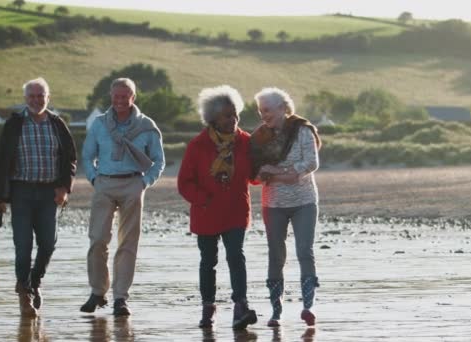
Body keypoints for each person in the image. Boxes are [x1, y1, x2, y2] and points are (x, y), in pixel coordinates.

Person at [0, 77, 77, 317]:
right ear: (25, 98)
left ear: (48, 98)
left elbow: (70, 158)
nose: (36, 99)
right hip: (20, 192)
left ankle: (35, 281)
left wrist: (64, 188)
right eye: (32, 96)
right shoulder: (14, 124)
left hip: (50, 192)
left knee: (48, 244)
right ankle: (24, 291)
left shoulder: (58, 124)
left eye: (41, 95)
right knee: (23, 245)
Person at [80, 78, 165, 316]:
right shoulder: (98, 124)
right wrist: (95, 179)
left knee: (128, 243)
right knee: (97, 240)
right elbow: (87, 156)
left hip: (133, 184)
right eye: (115, 96)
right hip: (104, 184)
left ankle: (120, 298)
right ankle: (98, 292)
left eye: (124, 97)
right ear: (111, 96)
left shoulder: (147, 126)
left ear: (133, 98)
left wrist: (144, 183)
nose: (119, 101)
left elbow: (159, 161)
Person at [177, 85, 258, 330]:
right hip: (206, 213)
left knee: (236, 257)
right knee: (208, 261)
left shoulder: (246, 142)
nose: (233, 119)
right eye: (227, 115)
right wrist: (204, 199)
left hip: (235, 210)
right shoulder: (198, 145)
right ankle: (208, 308)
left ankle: (240, 306)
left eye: (235, 114)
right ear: (213, 118)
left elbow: (254, 177)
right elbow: (184, 183)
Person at [250, 87, 322, 327]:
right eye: (261, 111)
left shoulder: (302, 130)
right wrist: (282, 174)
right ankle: (276, 312)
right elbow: (257, 174)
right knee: (276, 255)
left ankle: (308, 307)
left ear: (282, 108)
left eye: (267, 110)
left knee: (304, 251)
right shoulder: (259, 137)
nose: (263, 115)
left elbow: (311, 162)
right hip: (273, 204)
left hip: (304, 202)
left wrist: (277, 173)